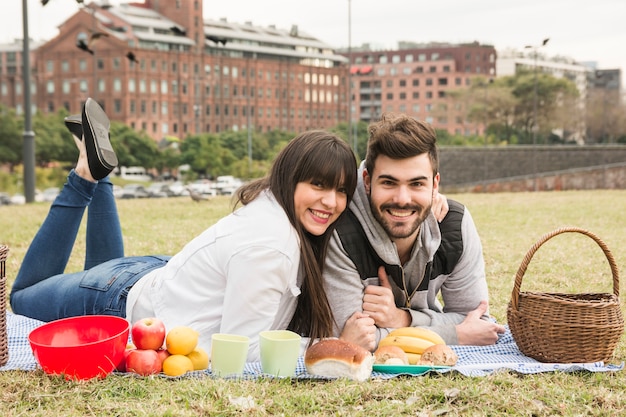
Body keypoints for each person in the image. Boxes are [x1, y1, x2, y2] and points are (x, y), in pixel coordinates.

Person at [10, 98, 375, 361]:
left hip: (150, 279)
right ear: (290, 179)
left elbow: (365, 193)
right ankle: (86, 176)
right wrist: (332, 344)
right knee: (22, 297)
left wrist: (433, 209)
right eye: (318, 185)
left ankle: (97, 170)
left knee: (97, 270)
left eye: (341, 190)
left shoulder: (277, 209)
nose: (331, 201)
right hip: (120, 296)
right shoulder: (271, 245)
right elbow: (241, 346)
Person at [325, 112, 506, 349]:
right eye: (388, 182)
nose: (402, 199)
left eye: (417, 184)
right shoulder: (341, 230)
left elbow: (477, 322)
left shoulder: (454, 225)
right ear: (367, 181)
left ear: (435, 184)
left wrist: (402, 319)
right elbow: (355, 337)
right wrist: (454, 335)